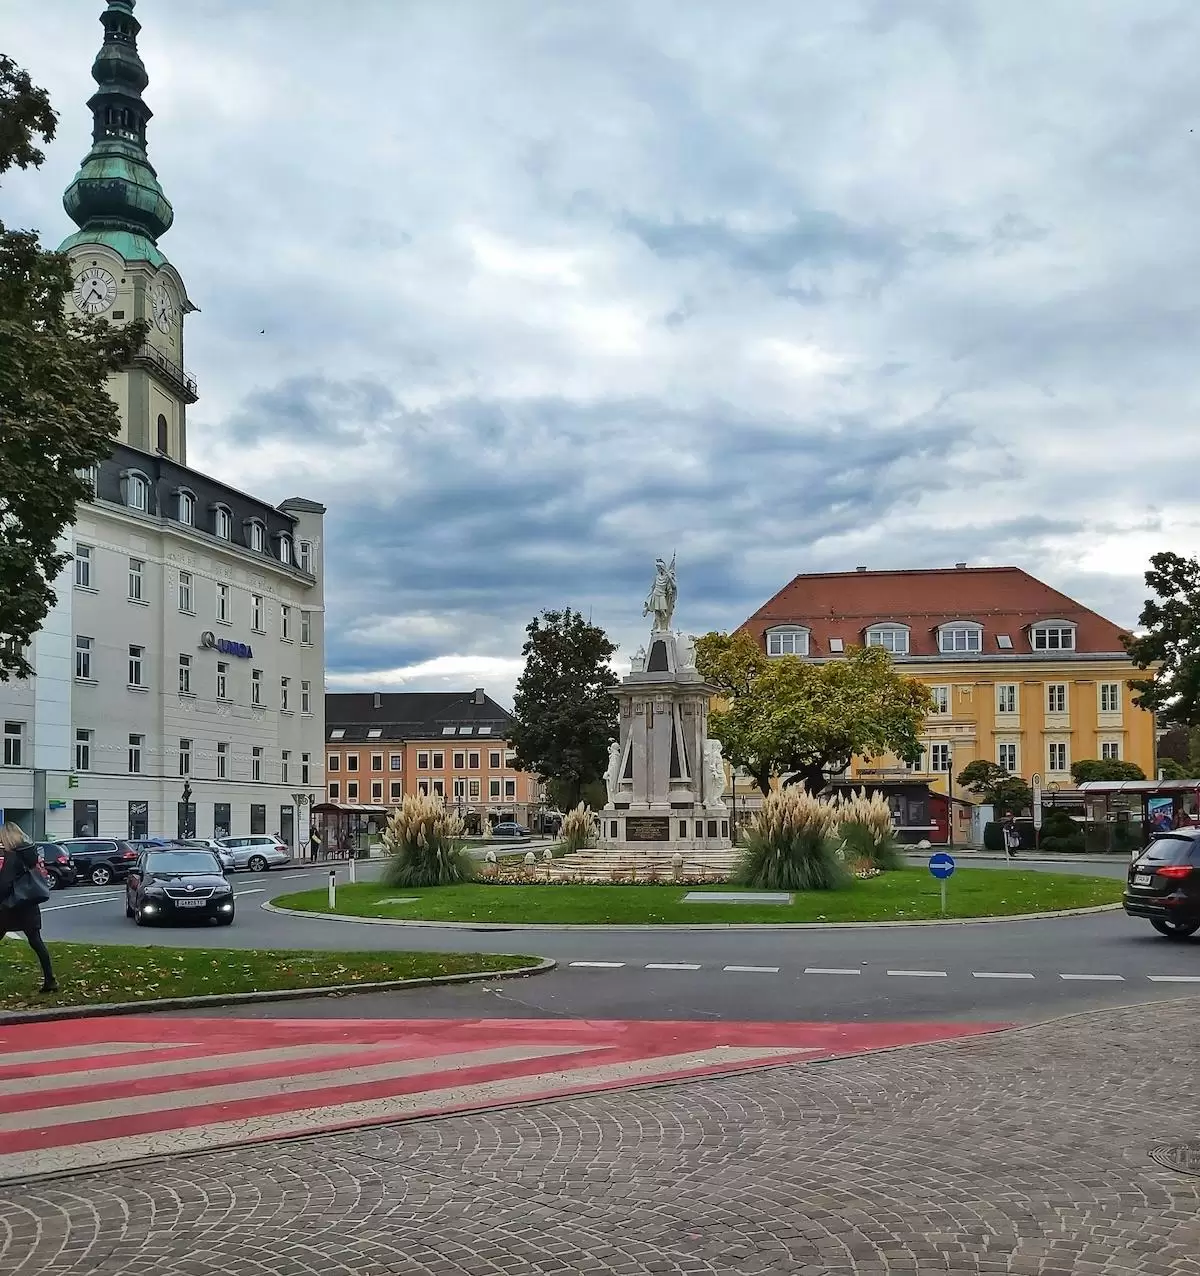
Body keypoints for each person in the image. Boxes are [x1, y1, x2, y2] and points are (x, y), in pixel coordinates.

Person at [0, 821, 58, 994]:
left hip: (9, 906)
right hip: (29, 905)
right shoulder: (30, 855)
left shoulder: (12, 856)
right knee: (36, 941)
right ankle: (50, 980)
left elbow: (5, 883)